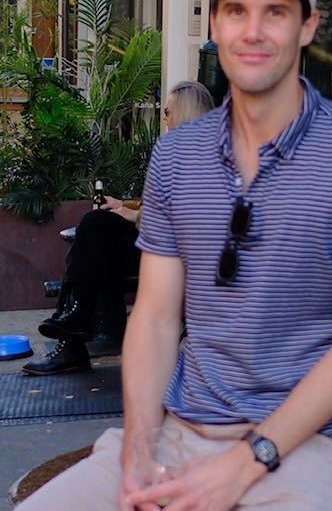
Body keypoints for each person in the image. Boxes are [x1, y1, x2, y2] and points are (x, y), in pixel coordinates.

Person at [0, 0, 332, 511]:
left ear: (308, 26)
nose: (253, 30)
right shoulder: (179, 157)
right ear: (215, 25)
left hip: (310, 449)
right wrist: (140, 445)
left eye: (275, 12)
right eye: (236, 11)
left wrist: (245, 463)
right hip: (182, 432)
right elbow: (155, 317)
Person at [22, 81, 215, 376]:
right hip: (159, 248)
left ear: (186, 115)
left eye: (167, 111)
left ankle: (74, 327)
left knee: (94, 230)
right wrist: (124, 205)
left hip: (181, 255)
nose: (164, 117)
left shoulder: (207, 160)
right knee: (95, 229)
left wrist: (130, 214)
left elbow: (186, 218)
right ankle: (74, 322)